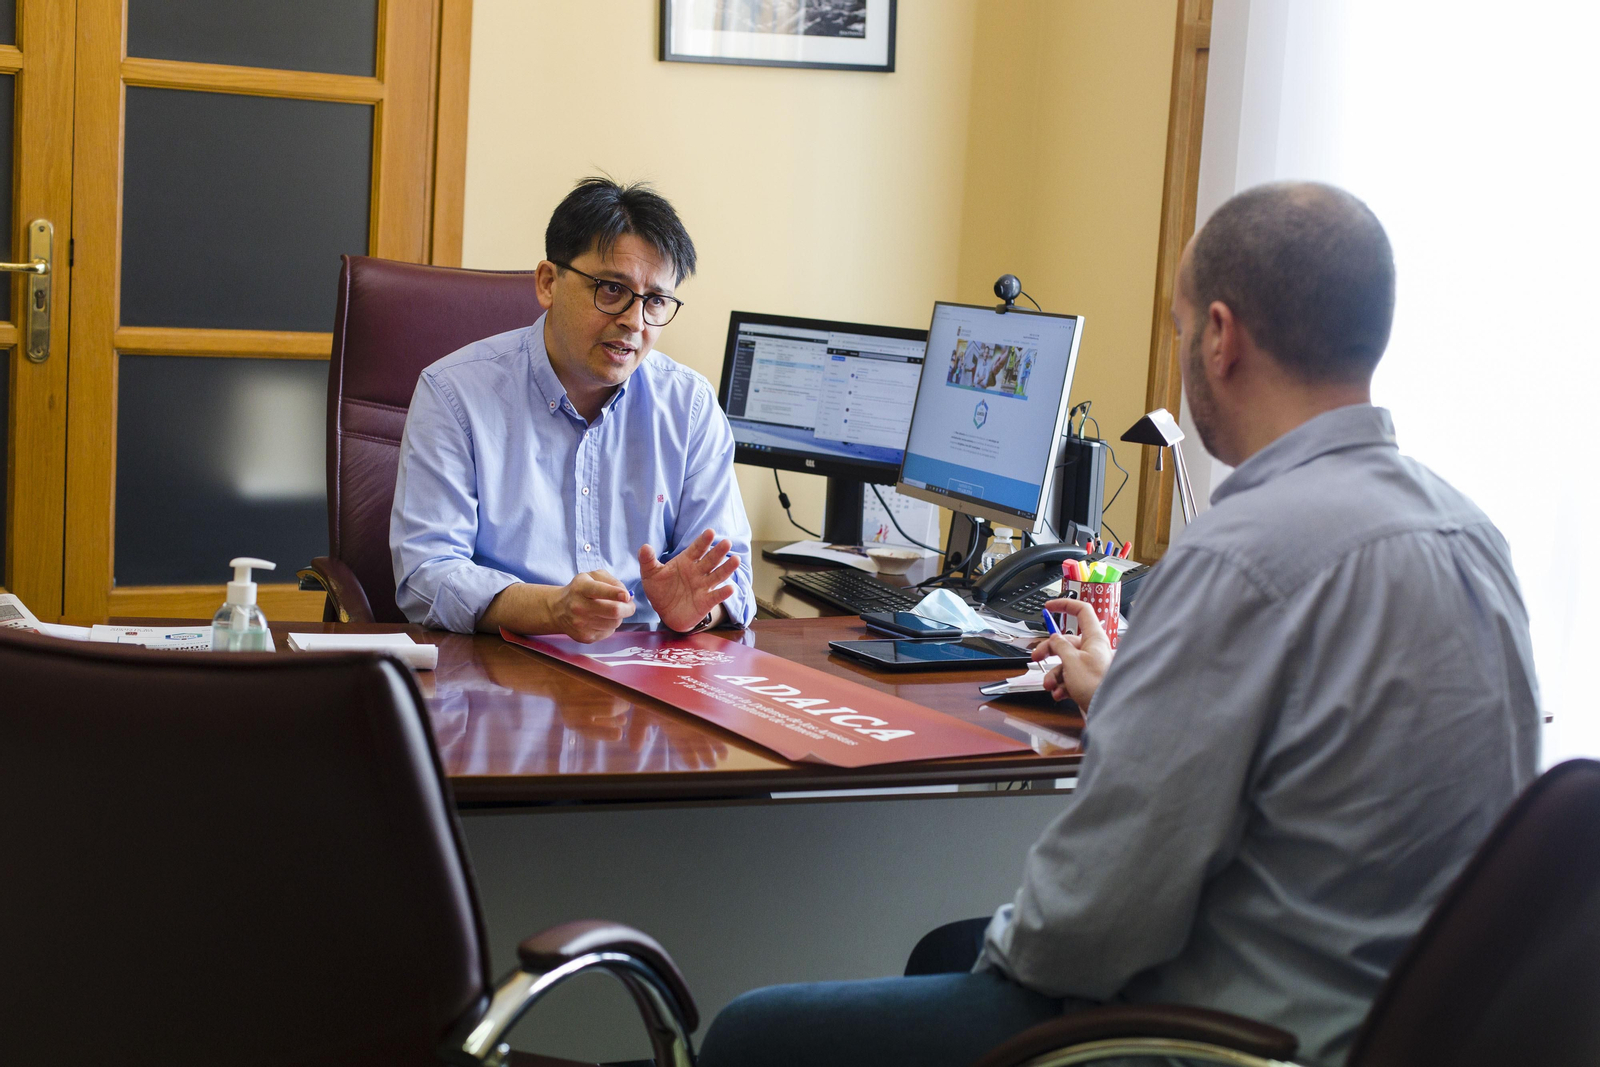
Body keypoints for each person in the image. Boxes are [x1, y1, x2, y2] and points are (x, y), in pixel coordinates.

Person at [696, 181, 1540, 1067]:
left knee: (754, 1034)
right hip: (1407, 1027)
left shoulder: (1236, 560)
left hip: (1220, 1040)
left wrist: (1010, 954)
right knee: (944, 951)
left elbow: (1090, 920)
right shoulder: (1472, 536)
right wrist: (1127, 696)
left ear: (1220, 335)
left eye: (1179, 329)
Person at [391, 177, 755, 639]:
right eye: (611, 290)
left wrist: (698, 611)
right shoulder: (454, 393)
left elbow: (735, 579)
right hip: (501, 672)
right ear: (548, 282)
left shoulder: (691, 406)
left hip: (646, 678)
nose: (633, 321)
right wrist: (553, 609)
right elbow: (426, 576)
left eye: (656, 301)